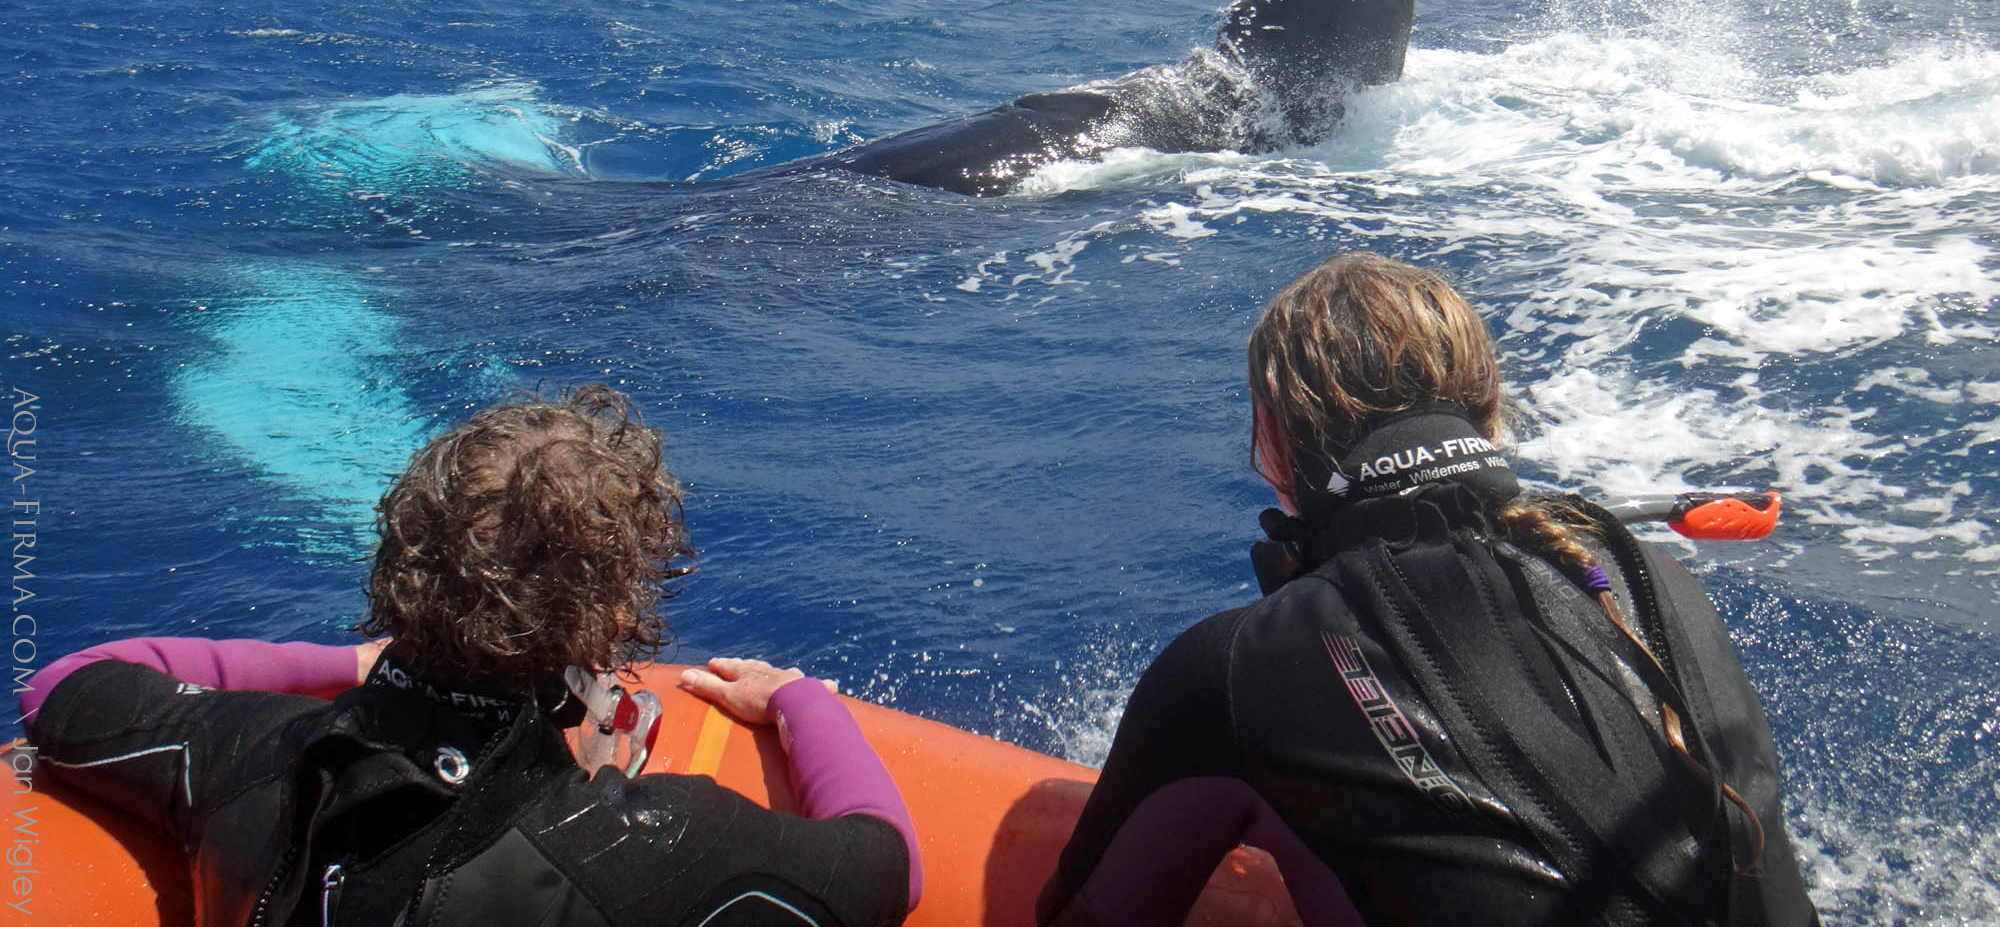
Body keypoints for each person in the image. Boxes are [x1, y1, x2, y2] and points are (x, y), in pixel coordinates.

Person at [1037, 253, 1820, 927]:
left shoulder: (1233, 668)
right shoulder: (1658, 584)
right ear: (1487, 412)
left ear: (1272, 443)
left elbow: (1084, 917)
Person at [23, 385, 921, 927]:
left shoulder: (251, 757)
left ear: (401, 562)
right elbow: (887, 867)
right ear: (608, 616)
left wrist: (354, 665)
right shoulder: (649, 850)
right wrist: (801, 701)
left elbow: (64, 685)